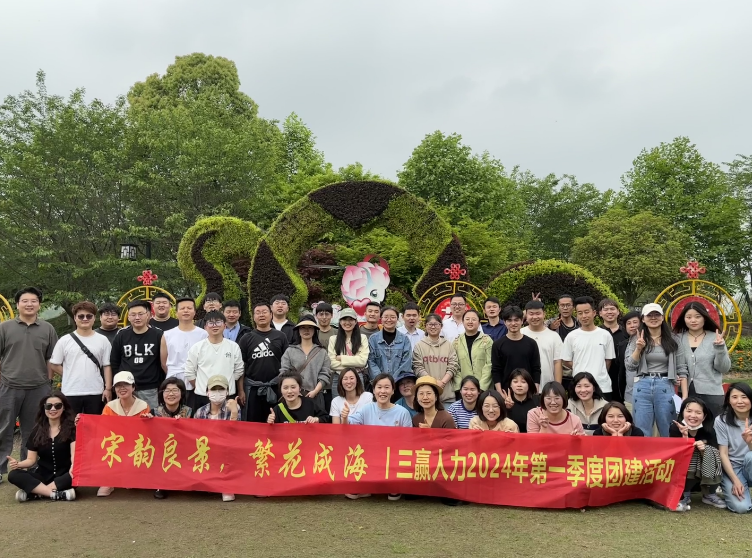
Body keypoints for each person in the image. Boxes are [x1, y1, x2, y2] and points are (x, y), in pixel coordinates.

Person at [0, 287, 58, 484]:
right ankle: (0, 468)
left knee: (32, 430)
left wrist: (48, 381)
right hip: (8, 386)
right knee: (4, 428)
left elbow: (52, 358)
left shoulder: (47, 329)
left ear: (39, 305)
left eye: (33, 301)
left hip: (38, 387)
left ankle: (28, 465)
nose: (29, 304)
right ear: (18, 304)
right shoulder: (5, 327)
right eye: (25, 301)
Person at [341, 373, 412, 501]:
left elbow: (408, 442)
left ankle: (392, 483)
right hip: (370, 457)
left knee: (393, 495)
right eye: (379, 387)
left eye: (387, 387)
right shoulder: (366, 409)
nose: (382, 391)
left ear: (393, 390)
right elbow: (348, 427)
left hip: (392, 458)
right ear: (373, 390)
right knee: (351, 493)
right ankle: (367, 484)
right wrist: (345, 417)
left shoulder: (402, 412)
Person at [625, 303, 688, 437]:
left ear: (662, 317)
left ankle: (670, 457)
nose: (653, 318)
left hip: (665, 384)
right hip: (642, 385)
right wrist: (639, 349)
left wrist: (685, 397)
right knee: (642, 429)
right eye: (649, 315)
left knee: (668, 427)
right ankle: (644, 457)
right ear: (643, 319)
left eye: (656, 315)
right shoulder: (636, 338)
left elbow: (682, 369)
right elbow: (630, 366)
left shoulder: (674, 339)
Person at [7, 392, 76, 502]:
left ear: (63, 408)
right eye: (49, 406)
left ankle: (36, 492)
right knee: (14, 475)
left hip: (66, 475)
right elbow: (31, 460)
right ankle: (56, 494)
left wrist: (73, 467)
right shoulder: (37, 431)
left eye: (57, 406)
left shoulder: (72, 429)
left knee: (76, 473)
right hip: (43, 476)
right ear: (44, 409)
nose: (53, 409)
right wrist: (18, 464)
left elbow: (74, 455)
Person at [49, 301, 112, 416]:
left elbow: (107, 365)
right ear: (75, 318)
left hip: (96, 391)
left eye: (89, 316)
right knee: (70, 425)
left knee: (94, 426)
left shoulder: (103, 340)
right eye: (81, 316)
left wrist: (108, 388)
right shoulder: (64, 340)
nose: (85, 319)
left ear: (94, 318)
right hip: (70, 391)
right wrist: (69, 374)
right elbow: (54, 364)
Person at [673, 301, 731, 419]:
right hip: (685, 394)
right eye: (688, 317)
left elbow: (723, 368)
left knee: (713, 430)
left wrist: (720, 349)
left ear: (705, 318)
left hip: (712, 394)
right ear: (684, 319)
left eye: (697, 316)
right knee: (687, 430)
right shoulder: (678, 339)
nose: (693, 320)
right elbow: (674, 364)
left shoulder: (715, 338)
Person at [96, 371, 151, 497]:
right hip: (116, 444)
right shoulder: (109, 407)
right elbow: (102, 429)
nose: (122, 388)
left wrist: (149, 420)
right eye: (118, 385)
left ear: (133, 387)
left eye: (126, 384)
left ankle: (133, 475)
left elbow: (146, 433)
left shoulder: (143, 406)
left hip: (134, 445)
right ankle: (108, 481)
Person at [669, 397, 725, 511]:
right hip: (684, 474)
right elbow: (675, 455)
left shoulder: (709, 429)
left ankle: (709, 493)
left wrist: (704, 448)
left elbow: (716, 451)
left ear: (704, 416)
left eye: (698, 412)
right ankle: (685, 493)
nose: (693, 415)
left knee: (710, 451)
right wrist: (685, 437)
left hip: (704, 474)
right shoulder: (675, 428)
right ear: (682, 412)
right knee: (692, 451)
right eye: (689, 411)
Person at [109, 299, 164, 410]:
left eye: (140, 314)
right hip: (125, 387)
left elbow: (162, 362)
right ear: (128, 317)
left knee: (150, 419)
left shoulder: (158, 334)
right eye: (133, 315)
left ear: (148, 315)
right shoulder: (121, 335)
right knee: (125, 420)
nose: (137, 318)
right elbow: (114, 362)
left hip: (150, 388)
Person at [239, 302, 289, 422]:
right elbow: (241, 367)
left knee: (275, 421)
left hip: (275, 387)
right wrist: (241, 390)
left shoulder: (280, 336)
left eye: (264, 312)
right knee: (253, 423)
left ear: (271, 314)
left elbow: (286, 364)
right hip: (252, 389)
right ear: (254, 317)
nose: (261, 315)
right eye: (258, 312)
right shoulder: (246, 338)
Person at [184, 310, 244, 411]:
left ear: (224, 325)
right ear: (205, 327)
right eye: (210, 323)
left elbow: (239, 370)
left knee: (228, 425)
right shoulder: (197, 347)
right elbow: (189, 372)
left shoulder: (233, 346)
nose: (214, 326)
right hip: (203, 396)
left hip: (227, 395)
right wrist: (202, 386)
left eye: (218, 322)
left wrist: (226, 384)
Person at [193, 375, 240, 502]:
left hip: (226, 451)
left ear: (227, 392)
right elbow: (193, 437)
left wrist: (234, 413)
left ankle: (226, 486)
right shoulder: (200, 412)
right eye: (214, 390)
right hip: (207, 451)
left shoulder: (233, 408)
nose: (217, 393)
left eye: (221, 390)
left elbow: (236, 434)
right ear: (207, 392)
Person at [561, 296, 615, 399]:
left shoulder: (605, 335)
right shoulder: (572, 336)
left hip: (602, 386)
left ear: (594, 313)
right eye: (580, 313)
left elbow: (608, 361)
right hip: (579, 387)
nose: (583, 316)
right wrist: (579, 367)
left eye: (587, 312)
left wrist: (599, 370)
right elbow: (566, 360)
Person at [161, 297, 208, 410]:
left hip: (197, 382)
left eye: (189, 308)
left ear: (194, 312)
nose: (186, 311)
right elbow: (164, 362)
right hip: (174, 381)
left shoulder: (203, 334)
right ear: (176, 313)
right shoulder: (167, 335)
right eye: (182, 308)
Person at [149, 377, 192, 499]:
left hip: (183, 450)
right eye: (167, 391)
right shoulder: (154, 412)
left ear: (182, 393)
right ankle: (161, 484)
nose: (171, 394)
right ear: (162, 394)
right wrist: (146, 422)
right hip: (162, 452)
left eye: (175, 390)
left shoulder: (189, 412)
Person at [280, 315, 331, 414]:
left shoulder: (322, 352)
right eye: (303, 327)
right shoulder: (290, 351)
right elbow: (284, 372)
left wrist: (315, 391)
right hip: (293, 396)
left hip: (316, 396)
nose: (306, 330)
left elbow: (325, 374)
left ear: (314, 330)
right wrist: (295, 391)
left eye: (310, 327)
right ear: (298, 330)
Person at [715, 382, 752, 514]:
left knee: (750, 456)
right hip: (733, 468)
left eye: (744, 397)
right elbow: (723, 454)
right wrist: (735, 481)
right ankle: (727, 486)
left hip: (750, 464)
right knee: (741, 507)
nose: (740, 401)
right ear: (729, 401)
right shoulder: (721, 421)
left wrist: (749, 443)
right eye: (734, 397)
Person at [492, 306, 542, 392]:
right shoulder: (497, 344)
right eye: (509, 320)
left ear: (522, 321)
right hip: (506, 393)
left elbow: (536, 369)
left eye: (516, 320)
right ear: (504, 322)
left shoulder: (531, 343)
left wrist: (535, 390)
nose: (513, 323)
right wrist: (500, 393)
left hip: (528, 392)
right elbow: (496, 370)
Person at [413, 313, 459, 405]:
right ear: (425, 326)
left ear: (441, 326)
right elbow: (418, 367)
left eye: (436, 324)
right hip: (427, 397)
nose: (433, 327)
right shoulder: (419, 346)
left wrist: (443, 382)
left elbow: (453, 365)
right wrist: (433, 382)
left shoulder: (448, 345)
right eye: (430, 324)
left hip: (447, 396)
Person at [328, 308, 369, 397]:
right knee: (338, 406)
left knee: (359, 405)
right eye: (344, 319)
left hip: (357, 377)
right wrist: (354, 363)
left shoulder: (362, 338)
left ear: (355, 321)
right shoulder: (333, 339)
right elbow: (331, 363)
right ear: (340, 321)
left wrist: (341, 358)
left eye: (350, 319)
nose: (347, 322)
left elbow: (362, 361)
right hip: (338, 378)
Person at [521, 300, 562, 385]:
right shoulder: (520, 334)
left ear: (544, 314)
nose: (535, 317)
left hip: (547, 388)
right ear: (526, 315)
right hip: (523, 387)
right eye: (531, 314)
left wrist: (557, 386)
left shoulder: (554, 336)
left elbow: (557, 362)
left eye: (538, 313)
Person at [367, 306, 412, 382]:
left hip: (399, 383)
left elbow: (406, 363)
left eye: (393, 317)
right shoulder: (373, 339)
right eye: (386, 317)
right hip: (378, 384)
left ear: (397, 319)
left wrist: (393, 381)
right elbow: (371, 362)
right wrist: (382, 381)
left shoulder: (404, 340)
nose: (389, 320)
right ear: (381, 319)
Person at [452, 309, 493, 392]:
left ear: (479, 323)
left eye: (474, 319)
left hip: (483, 390)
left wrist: (481, 387)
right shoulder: (456, 342)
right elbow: (455, 366)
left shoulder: (487, 340)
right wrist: (461, 387)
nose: (470, 322)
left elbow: (489, 364)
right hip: (464, 390)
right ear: (463, 322)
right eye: (467, 319)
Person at [546, 294, 580, 391]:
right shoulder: (551, 323)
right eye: (562, 305)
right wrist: (550, 329)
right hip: (558, 370)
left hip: (576, 369)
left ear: (573, 307)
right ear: (558, 307)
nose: (565, 308)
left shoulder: (580, 323)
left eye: (568, 305)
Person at [599, 299, 628, 402]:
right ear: (600, 313)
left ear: (618, 312)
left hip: (623, 378)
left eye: (612, 309)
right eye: (606, 309)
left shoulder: (626, 333)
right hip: (602, 378)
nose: (609, 312)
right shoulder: (597, 333)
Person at [503, 369, 539, 433]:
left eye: (523, 382)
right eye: (515, 382)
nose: (519, 385)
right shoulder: (504, 403)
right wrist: (508, 409)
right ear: (510, 384)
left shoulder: (537, 401)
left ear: (529, 384)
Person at [618, 311, 641, 406]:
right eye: (629, 323)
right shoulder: (624, 345)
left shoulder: (649, 342)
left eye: (635, 322)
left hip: (644, 394)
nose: (632, 325)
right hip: (629, 395)